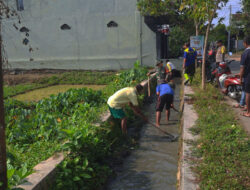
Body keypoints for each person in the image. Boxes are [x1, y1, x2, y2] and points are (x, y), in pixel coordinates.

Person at [240, 36, 250, 117]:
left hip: (248, 77)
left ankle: (248, 112)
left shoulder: (245, 53)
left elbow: (242, 67)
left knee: (248, 94)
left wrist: (240, 78)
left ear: (245, 43)